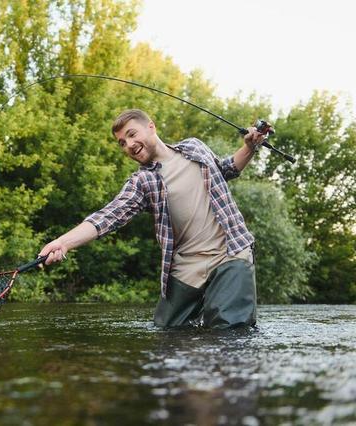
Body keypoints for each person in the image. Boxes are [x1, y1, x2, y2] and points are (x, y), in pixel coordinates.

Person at [38, 109, 265, 329]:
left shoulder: (194, 147)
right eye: (122, 143)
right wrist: (63, 243)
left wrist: (249, 146)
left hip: (230, 252)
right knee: (166, 332)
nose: (128, 145)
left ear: (151, 127)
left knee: (230, 330)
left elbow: (226, 169)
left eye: (131, 134)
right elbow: (108, 216)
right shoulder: (143, 181)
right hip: (185, 265)